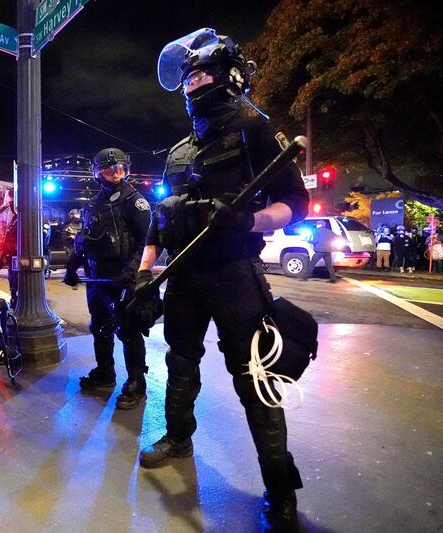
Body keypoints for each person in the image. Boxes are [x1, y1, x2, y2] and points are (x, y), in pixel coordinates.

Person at [134, 30, 310, 531]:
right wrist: (144, 273)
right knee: (180, 358)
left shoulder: (257, 128)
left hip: (235, 272)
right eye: (189, 76)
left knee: (255, 376)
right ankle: (178, 436)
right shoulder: (179, 151)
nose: (194, 84)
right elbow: (161, 219)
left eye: (204, 74)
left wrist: (249, 222)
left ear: (229, 76)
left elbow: (294, 204)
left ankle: (279, 487)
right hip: (185, 274)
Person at [62, 147, 151, 410]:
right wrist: (72, 267)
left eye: (120, 168)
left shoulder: (135, 201)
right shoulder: (94, 204)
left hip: (123, 280)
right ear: (98, 172)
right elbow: (84, 241)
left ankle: (136, 382)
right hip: (97, 279)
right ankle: (105, 372)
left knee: (129, 330)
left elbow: (149, 241)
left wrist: (133, 271)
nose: (116, 173)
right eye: (110, 169)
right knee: (100, 327)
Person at [1, 189, 18, 307]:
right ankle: (14, 296)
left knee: (15, 275)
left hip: (18, 253)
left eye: (12, 203)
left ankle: (15, 297)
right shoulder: (12, 217)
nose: (10, 205)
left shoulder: (20, 217)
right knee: (12, 274)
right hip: (12, 253)